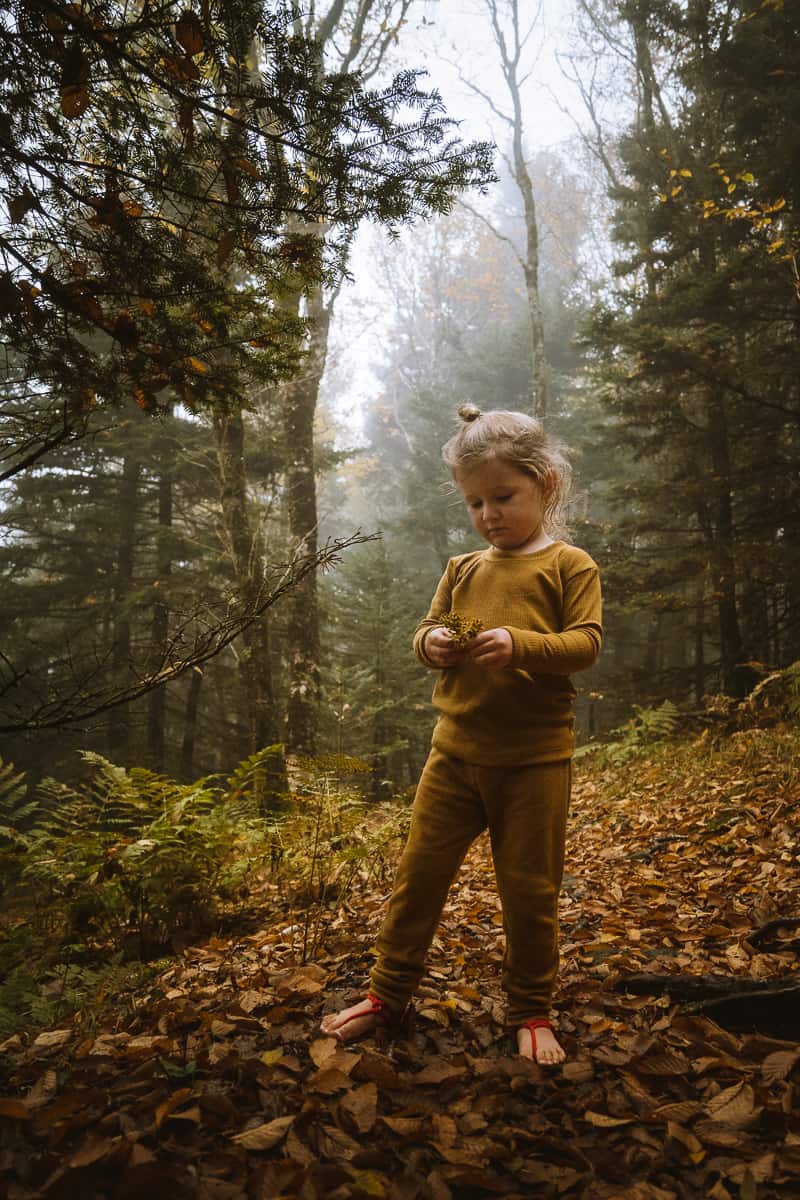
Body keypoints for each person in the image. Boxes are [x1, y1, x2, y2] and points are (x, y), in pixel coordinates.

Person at [321, 405, 602, 1065]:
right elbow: (424, 631)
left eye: (503, 497)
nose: (489, 515)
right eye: (475, 502)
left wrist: (523, 644)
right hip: (453, 757)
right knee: (417, 879)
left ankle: (532, 1008)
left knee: (530, 892)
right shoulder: (462, 567)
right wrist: (436, 643)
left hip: (533, 763)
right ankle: (387, 995)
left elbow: (586, 644)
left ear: (546, 485)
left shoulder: (570, 565)